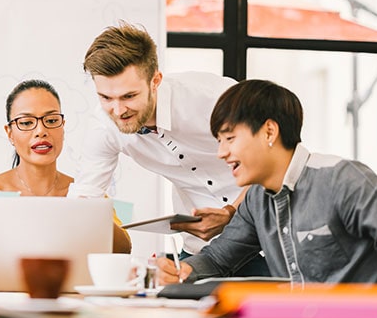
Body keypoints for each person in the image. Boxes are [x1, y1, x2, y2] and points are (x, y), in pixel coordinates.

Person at [156, 79, 377, 285]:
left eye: (230, 139)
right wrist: (178, 271)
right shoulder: (257, 199)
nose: (221, 153)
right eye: (219, 141)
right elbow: (218, 259)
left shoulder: (342, 180)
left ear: (269, 131)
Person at [72, 21, 264, 273]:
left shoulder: (213, 96)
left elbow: (270, 161)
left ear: (156, 80)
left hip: (266, 240)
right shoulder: (103, 126)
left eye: (129, 96)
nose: (117, 111)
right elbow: (86, 199)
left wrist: (230, 213)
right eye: (106, 98)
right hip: (203, 250)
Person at [0, 79, 132, 284]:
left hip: (72, 307)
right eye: (26, 123)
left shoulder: (85, 192)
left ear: (63, 126)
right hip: (6, 308)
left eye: (51, 120)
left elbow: (124, 251)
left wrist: (90, 210)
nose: (40, 131)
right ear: (10, 133)